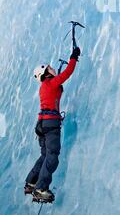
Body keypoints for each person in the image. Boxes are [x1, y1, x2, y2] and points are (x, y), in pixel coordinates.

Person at [24, 46, 81, 203]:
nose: (52, 68)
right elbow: (67, 73)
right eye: (49, 67)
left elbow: (57, 90)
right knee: (52, 156)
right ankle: (40, 188)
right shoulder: (50, 83)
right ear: (45, 73)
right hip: (50, 124)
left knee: (44, 155)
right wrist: (74, 57)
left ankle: (31, 182)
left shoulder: (45, 86)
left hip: (42, 124)